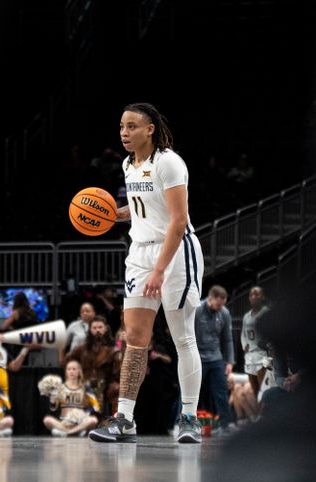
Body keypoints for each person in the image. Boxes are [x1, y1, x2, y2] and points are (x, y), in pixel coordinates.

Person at [89, 102, 205, 444]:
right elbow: (142, 209)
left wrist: (159, 270)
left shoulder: (168, 162)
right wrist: (114, 214)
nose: (124, 133)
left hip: (176, 250)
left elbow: (177, 219)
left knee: (183, 337)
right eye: (122, 127)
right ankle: (124, 418)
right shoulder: (128, 164)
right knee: (135, 340)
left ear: (149, 129)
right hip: (139, 251)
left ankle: (189, 418)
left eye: (132, 126)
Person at [194, 285, 237, 434]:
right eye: (218, 305)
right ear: (210, 299)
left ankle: (225, 424)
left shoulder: (224, 313)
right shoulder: (197, 310)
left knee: (221, 391)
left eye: (222, 305)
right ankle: (180, 422)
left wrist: (230, 362)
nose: (220, 308)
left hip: (215, 357)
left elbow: (227, 339)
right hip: (197, 356)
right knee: (190, 391)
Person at [64, 315, 116, 412]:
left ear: (106, 329)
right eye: (94, 328)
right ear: (90, 330)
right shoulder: (82, 349)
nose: (97, 330)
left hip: (104, 385)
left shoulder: (112, 350)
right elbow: (68, 360)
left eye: (100, 327)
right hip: (84, 384)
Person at [43, 360, 101, 437]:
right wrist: (52, 400)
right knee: (47, 420)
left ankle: (66, 432)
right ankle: (75, 432)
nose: (71, 371)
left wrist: (85, 414)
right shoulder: (60, 388)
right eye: (69, 369)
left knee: (93, 420)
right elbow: (53, 408)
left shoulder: (85, 388)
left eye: (74, 369)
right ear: (66, 372)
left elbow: (96, 406)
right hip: (64, 421)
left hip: (80, 421)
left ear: (79, 371)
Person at [240, 286, 270, 397]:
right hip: (249, 356)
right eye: (251, 295)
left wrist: (265, 343)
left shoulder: (267, 312)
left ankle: (266, 413)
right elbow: (243, 333)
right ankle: (257, 413)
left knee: (264, 389)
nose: (253, 297)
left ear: (262, 297)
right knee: (255, 391)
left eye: (257, 294)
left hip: (262, 355)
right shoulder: (246, 316)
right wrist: (244, 345)